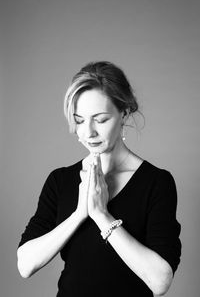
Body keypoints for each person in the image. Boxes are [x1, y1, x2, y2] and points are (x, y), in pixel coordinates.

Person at [17, 61, 181, 297]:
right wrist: (80, 214)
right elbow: (25, 265)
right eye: (80, 120)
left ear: (124, 113)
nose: (88, 132)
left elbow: (160, 282)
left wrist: (102, 216)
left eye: (101, 119)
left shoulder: (156, 183)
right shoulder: (60, 180)